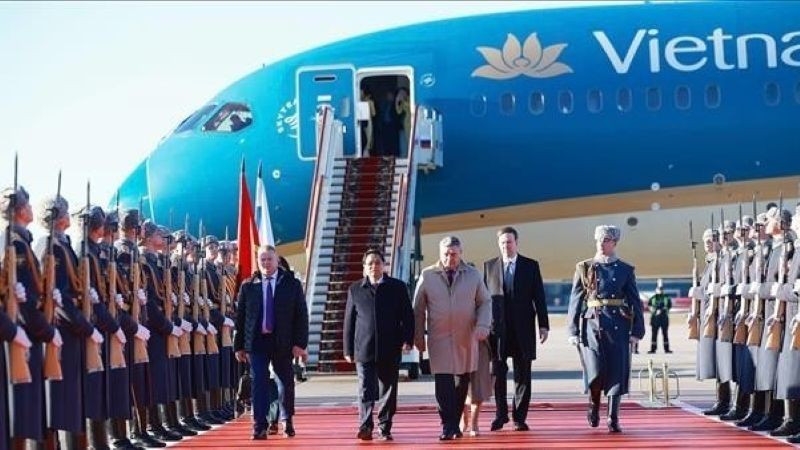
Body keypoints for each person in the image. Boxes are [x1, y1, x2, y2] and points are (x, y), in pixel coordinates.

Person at [567, 225, 645, 433]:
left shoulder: (625, 270)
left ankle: (613, 417)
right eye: (599, 240)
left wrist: (637, 331)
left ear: (615, 243)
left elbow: (635, 301)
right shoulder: (584, 267)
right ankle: (594, 404)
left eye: (607, 240)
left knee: (617, 372)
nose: (602, 243)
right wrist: (572, 331)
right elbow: (575, 300)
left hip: (618, 326)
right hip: (592, 325)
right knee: (595, 371)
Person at [413, 236, 492, 441]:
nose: (450, 258)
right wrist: (418, 335)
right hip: (439, 338)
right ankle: (448, 425)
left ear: (460, 253)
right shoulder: (427, 275)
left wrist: (483, 325)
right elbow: (418, 309)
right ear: (440, 254)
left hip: (466, 337)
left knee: (461, 383)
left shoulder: (473, 275)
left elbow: (485, 302)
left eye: (454, 254)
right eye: (446, 254)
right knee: (443, 383)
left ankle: (454, 424)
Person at [234, 245, 308, 440]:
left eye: (270, 259)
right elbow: (240, 317)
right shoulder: (248, 285)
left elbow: (301, 315)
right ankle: (259, 424)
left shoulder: (291, 284)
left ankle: (287, 419)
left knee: (285, 381)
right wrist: (239, 345)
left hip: (283, 340)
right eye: (263, 260)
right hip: (257, 342)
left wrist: (300, 343)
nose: (266, 263)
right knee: (258, 381)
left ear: (277, 261)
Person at [343, 249, 414, 441]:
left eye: (377, 262)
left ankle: (384, 426)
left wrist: (408, 339)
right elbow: (349, 321)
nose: (374, 266)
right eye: (370, 263)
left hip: (390, 347)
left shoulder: (397, 287)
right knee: (365, 388)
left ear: (384, 265)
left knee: (388, 390)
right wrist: (347, 349)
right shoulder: (355, 289)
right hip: (363, 348)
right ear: (364, 267)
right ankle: (365, 425)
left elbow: (407, 315)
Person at [483, 226, 549, 432]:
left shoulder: (530, 266)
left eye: (509, 242)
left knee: (523, 376)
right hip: (498, 330)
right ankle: (500, 415)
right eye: (502, 243)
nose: (505, 246)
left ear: (516, 243)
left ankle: (519, 417)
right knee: (498, 374)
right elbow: (483, 300)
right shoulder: (489, 266)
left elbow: (539, 297)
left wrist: (544, 325)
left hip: (523, 329)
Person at [647, 285, 673, 353]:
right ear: (656, 290)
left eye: (661, 290)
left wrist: (662, 310)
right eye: (659, 289)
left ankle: (666, 349)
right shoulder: (652, 298)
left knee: (665, 334)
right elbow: (649, 306)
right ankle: (653, 349)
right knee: (654, 335)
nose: (660, 291)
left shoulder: (666, 298)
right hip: (655, 319)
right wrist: (655, 310)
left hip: (664, 319)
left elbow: (669, 306)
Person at [395, 87, 411, 156]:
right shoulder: (402, 101)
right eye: (400, 93)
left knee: (410, 140)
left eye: (402, 93)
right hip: (406, 122)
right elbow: (399, 111)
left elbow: (410, 107)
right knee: (406, 140)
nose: (401, 94)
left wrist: (403, 101)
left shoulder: (410, 98)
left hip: (411, 120)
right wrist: (397, 101)